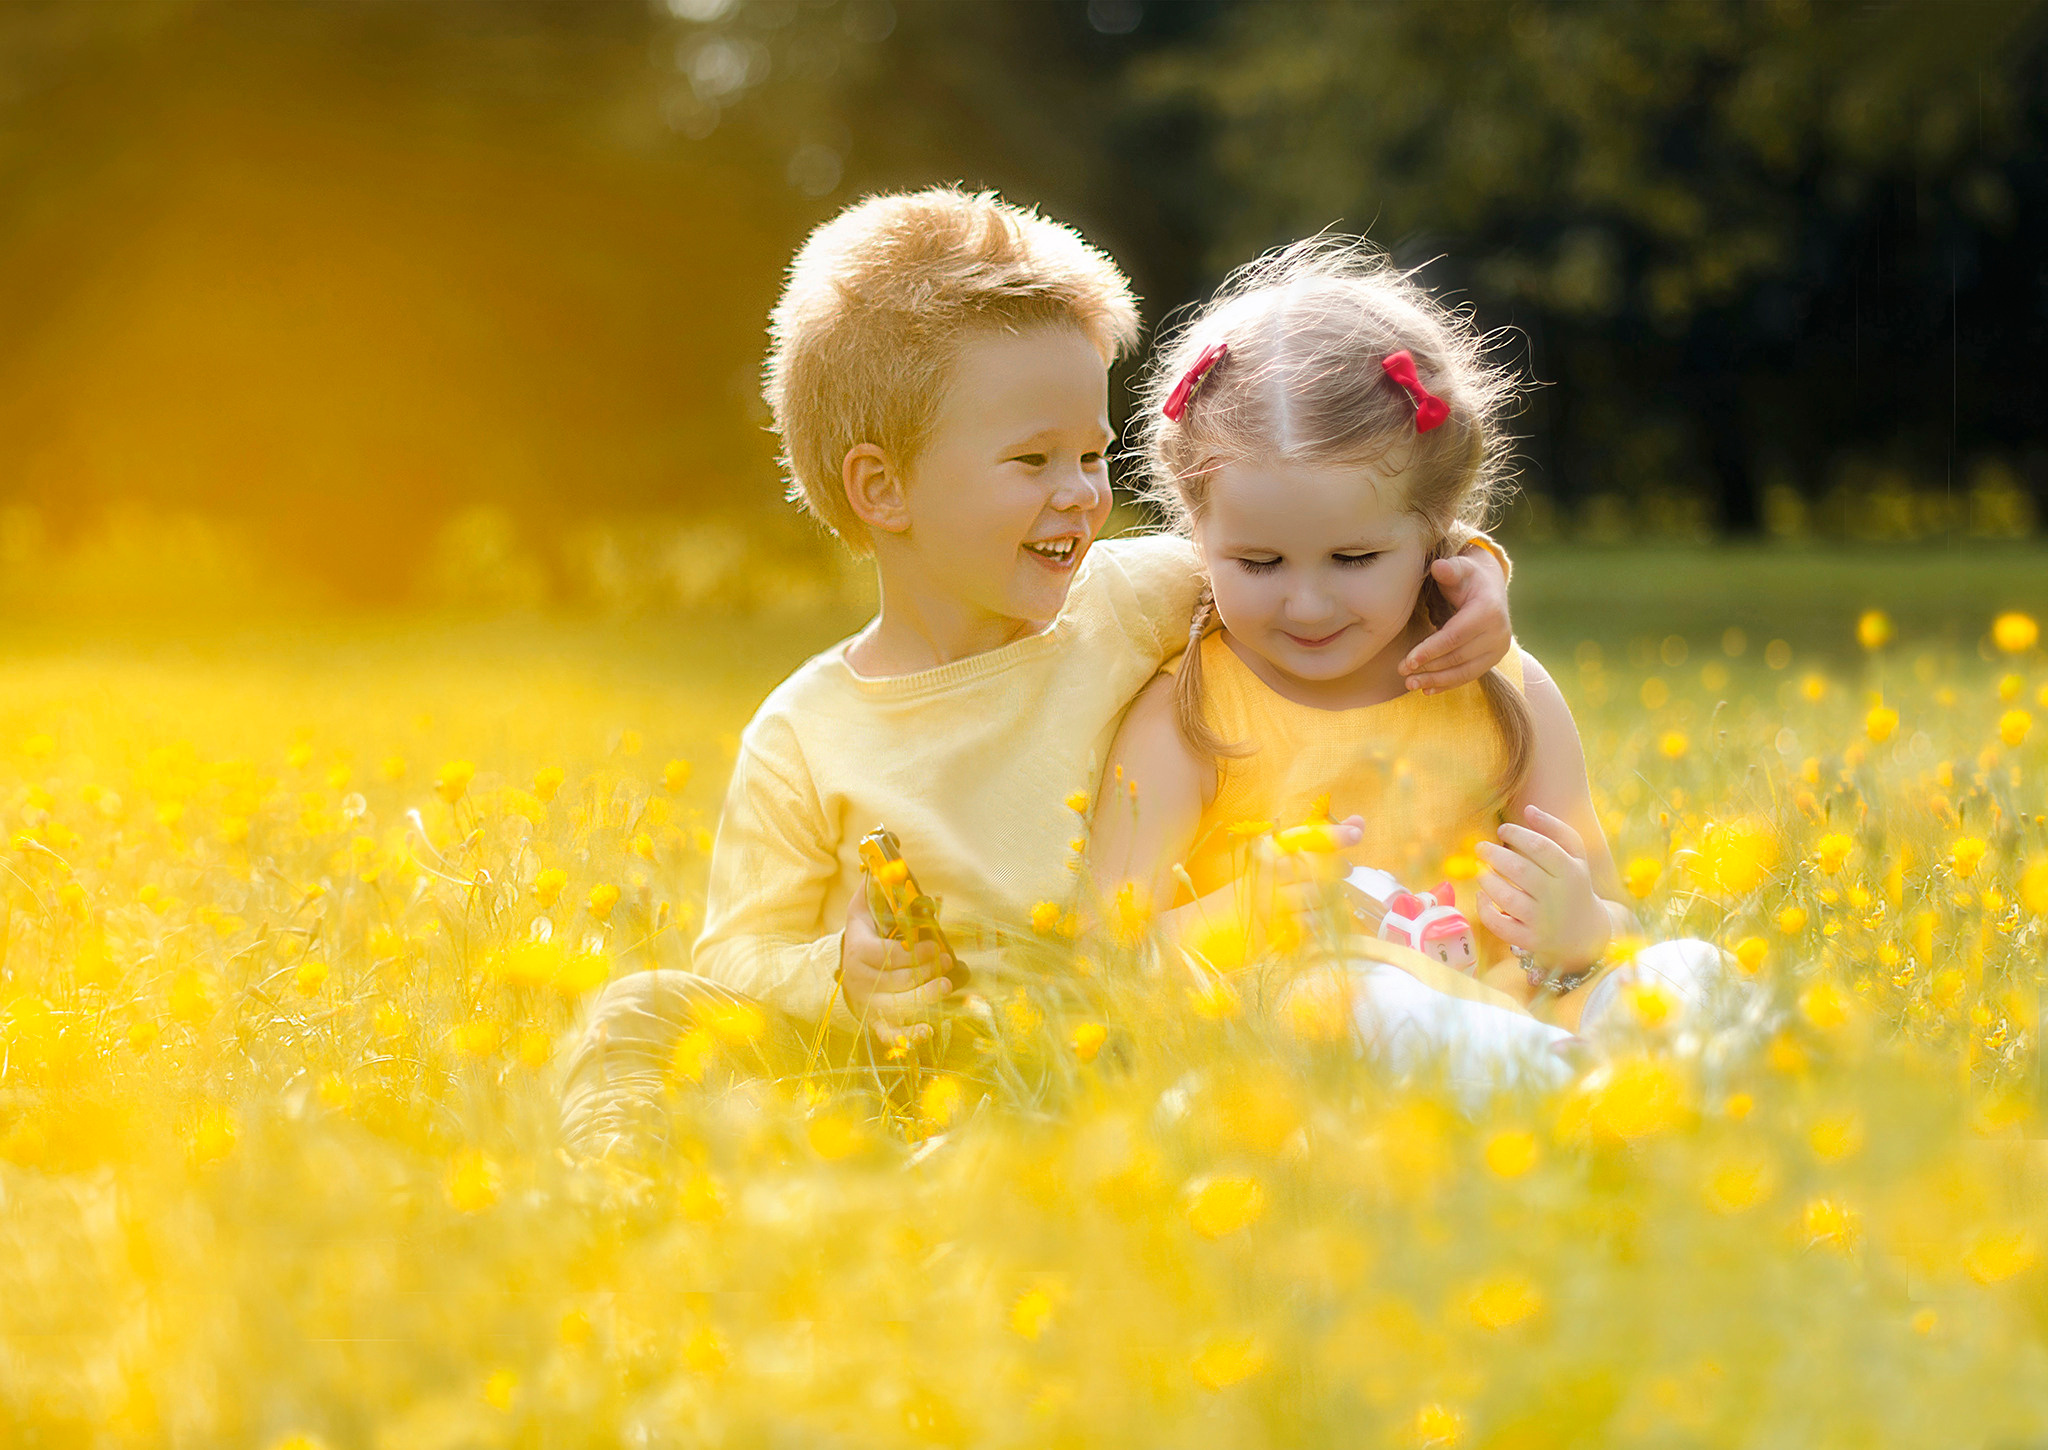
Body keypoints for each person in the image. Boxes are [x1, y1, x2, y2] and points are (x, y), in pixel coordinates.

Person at [560, 191, 1520, 1154]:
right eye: (1033, 459)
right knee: (639, 1008)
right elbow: (735, 952)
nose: (1083, 493)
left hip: (1103, 1041)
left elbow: (1308, 552)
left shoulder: (1134, 596)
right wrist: (838, 974)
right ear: (882, 489)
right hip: (882, 1062)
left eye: (1095, 454)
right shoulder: (803, 731)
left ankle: (976, 1177)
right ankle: (620, 1183)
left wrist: (1466, 570)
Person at [1088, 238, 1728, 1092]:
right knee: (1349, 996)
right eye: (1258, 564)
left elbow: (1608, 909)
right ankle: (1588, 1100)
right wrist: (1243, 915)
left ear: (1437, 530)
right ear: (1197, 537)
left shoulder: (1507, 693)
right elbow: (1098, 961)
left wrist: (1585, 930)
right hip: (1323, 1054)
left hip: (1523, 1010)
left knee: (1695, 966)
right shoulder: (1191, 719)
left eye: (1353, 559)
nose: (1307, 605)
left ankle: (1660, 1084)